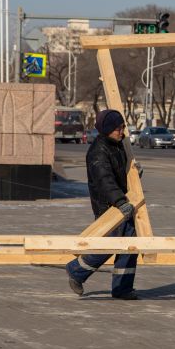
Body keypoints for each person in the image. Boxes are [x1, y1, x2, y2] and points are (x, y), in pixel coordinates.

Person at [65, 109, 139, 300]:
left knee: (131, 245)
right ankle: (76, 271)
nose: (122, 131)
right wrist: (120, 202)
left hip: (122, 204)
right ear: (107, 129)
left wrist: (134, 173)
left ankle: (122, 288)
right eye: (118, 128)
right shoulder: (98, 151)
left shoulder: (118, 145)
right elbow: (105, 181)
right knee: (108, 246)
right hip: (108, 207)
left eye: (123, 127)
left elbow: (120, 174)